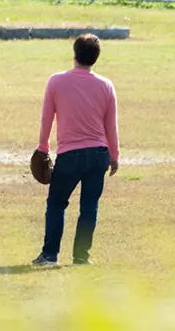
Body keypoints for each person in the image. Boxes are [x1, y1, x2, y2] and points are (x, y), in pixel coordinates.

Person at [32, 34, 119, 266]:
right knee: (89, 207)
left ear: (74, 54)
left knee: (57, 203)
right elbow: (111, 124)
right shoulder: (106, 86)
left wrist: (43, 148)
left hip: (70, 155)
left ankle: (50, 254)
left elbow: (46, 118)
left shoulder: (56, 81)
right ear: (96, 58)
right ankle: (81, 256)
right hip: (99, 153)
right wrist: (114, 156)